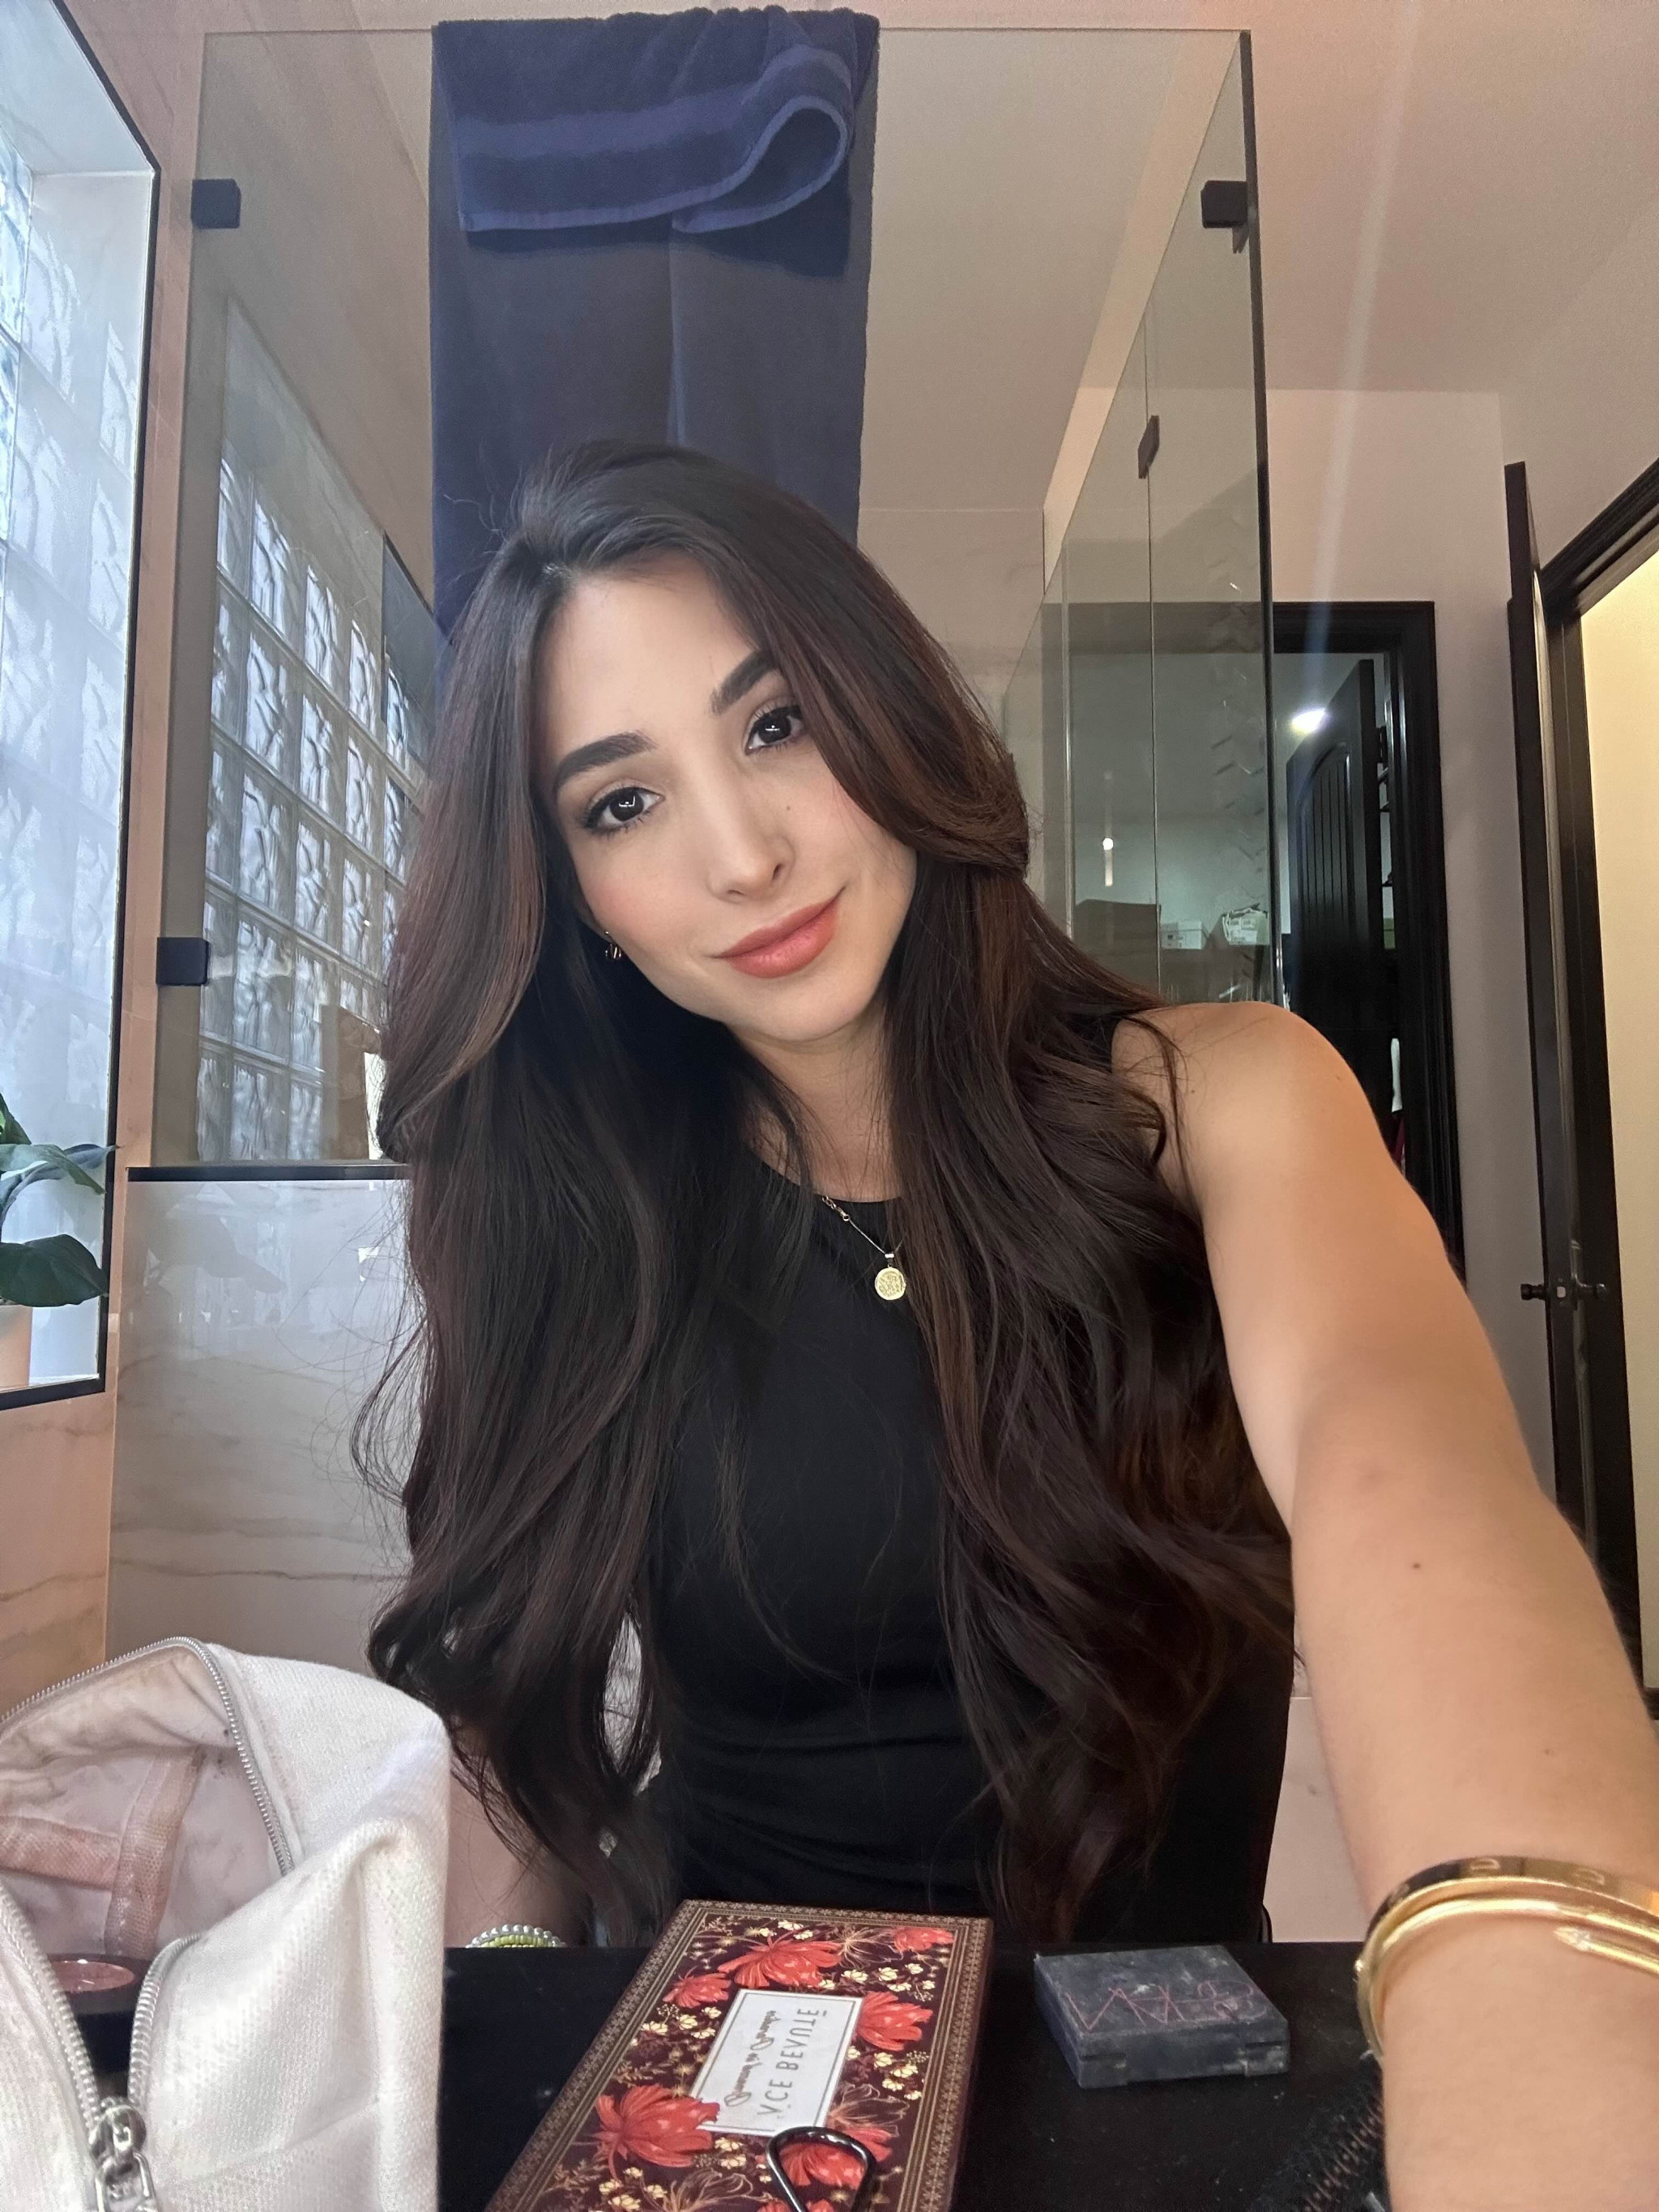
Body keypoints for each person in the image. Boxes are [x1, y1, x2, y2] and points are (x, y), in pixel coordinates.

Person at [361, 441, 1659, 2208]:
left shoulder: (1213, 1103)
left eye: (774, 725)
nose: (743, 855)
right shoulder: (580, 1219)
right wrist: (500, 2016)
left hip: (1143, 2102)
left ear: (886, 704)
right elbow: (515, 1700)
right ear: (568, 893)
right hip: (729, 2100)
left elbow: (1405, 1476)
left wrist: (1526, 1974)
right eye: (622, 802)